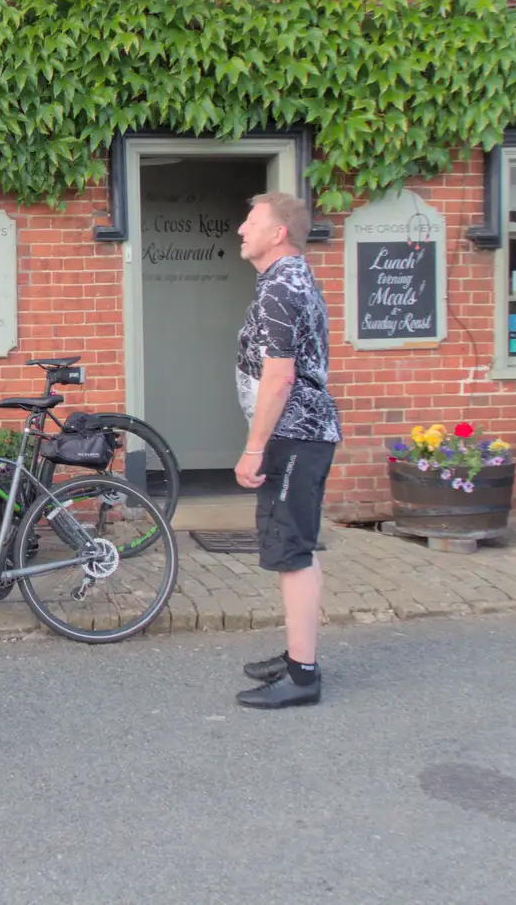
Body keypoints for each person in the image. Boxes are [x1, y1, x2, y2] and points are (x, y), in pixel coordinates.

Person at [232, 191, 342, 709]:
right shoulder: (292, 278)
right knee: (295, 546)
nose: (240, 230)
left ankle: (302, 677)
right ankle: (300, 656)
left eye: (251, 222)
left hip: (294, 436)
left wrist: (254, 448)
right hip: (303, 434)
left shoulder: (281, 286)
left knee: (291, 550)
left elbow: (280, 375)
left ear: (278, 233)